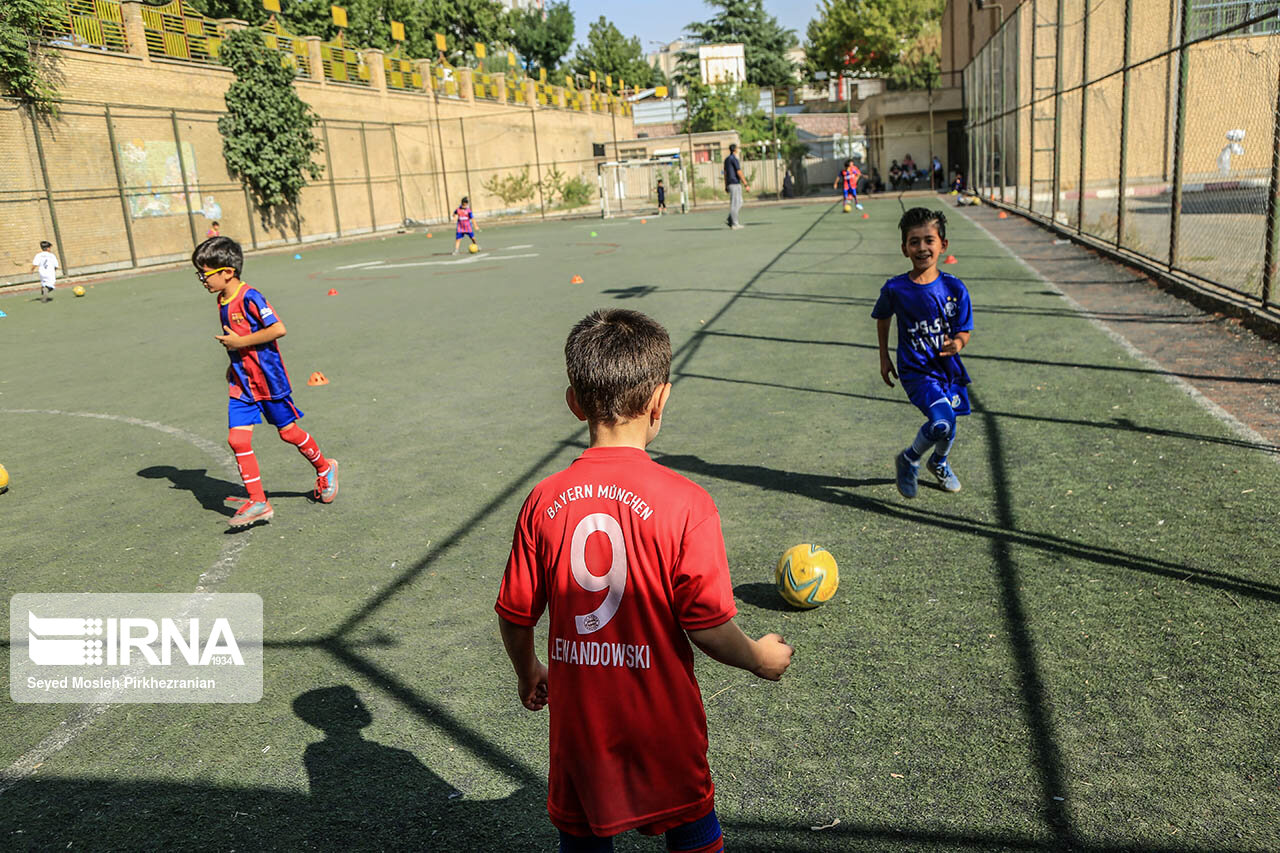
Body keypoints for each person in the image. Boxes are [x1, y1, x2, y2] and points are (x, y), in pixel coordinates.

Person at [496, 308, 794, 853]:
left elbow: (515, 615)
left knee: (584, 840)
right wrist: (758, 657)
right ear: (661, 400)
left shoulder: (542, 501)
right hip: (665, 726)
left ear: (574, 403)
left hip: (580, 731)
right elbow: (706, 626)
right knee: (693, 833)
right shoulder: (687, 503)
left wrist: (529, 670)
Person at [192, 236, 339, 528]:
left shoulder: (250, 297)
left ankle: (325, 468)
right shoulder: (222, 300)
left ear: (227, 272)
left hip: (269, 380)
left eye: (204, 274)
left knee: (288, 433)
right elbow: (237, 344)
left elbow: (278, 329)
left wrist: (239, 343)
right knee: (237, 439)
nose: (201, 280)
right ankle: (258, 501)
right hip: (243, 382)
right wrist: (232, 366)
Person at [871, 208, 973, 499]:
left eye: (929, 240)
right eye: (914, 242)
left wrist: (958, 344)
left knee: (949, 424)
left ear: (943, 244)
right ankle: (909, 458)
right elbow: (882, 317)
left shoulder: (954, 287)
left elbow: (964, 329)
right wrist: (884, 356)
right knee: (941, 422)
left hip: (948, 370)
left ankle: (938, 462)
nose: (922, 248)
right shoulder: (896, 288)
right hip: (915, 372)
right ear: (904, 249)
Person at [723, 143, 748, 229]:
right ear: (735, 150)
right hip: (734, 183)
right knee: (735, 203)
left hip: (731, 183)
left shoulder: (726, 159)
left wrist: (726, 184)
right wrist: (745, 183)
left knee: (740, 202)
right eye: (737, 148)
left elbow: (725, 173)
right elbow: (739, 171)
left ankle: (731, 218)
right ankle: (734, 223)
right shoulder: (734, 159)